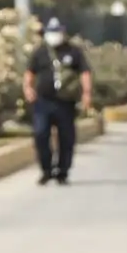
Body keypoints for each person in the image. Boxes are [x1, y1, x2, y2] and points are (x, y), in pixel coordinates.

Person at [25, 15, 93, 186]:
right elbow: (29, 72)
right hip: (43, 101)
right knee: (40, 134)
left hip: (66, 103)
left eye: (57, 31)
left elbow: (84, 72)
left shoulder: (74, 51)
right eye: (51, 31)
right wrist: (28, 88)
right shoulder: (40, 51)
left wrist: (86, 93)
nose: (54, 35)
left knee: (66, 137)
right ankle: (46, 170)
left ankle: (62, 171)